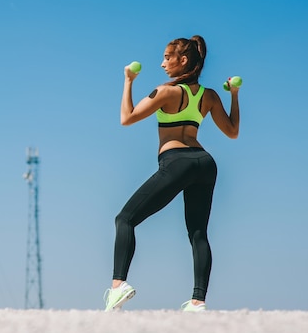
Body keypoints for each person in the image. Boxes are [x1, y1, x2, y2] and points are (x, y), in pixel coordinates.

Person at [103, 35, 241, 312]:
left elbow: (126, 118)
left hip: (177, 160)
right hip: (205, 162)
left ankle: (118, 287)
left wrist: (128, 80)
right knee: (198, 233)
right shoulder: (210, 96)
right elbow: (233, 132)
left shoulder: (166, 92)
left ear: (183, 60)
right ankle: (198, 302)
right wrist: (234, 96)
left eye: (167, 57)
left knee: (125, 219)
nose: (163, 63)